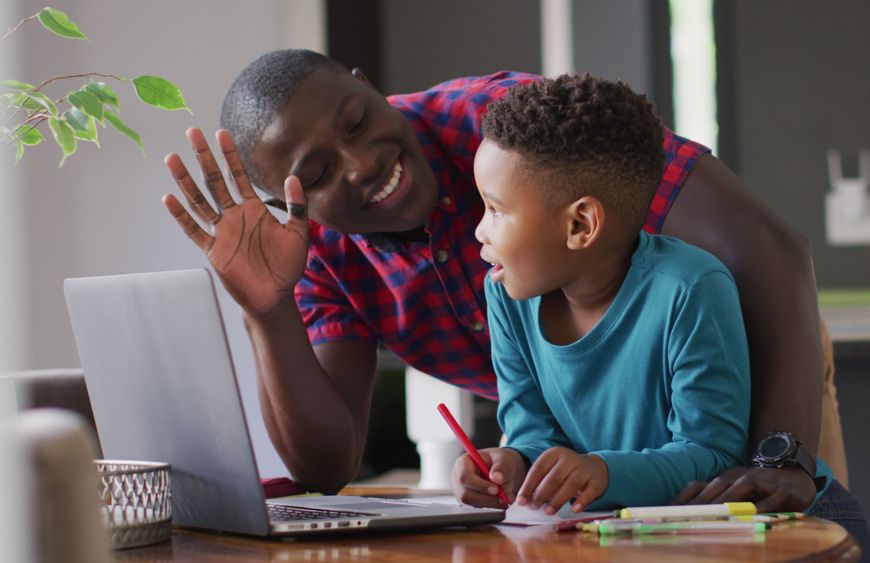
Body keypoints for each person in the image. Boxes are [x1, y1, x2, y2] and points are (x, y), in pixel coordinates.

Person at [161, 49, 827, 513]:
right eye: (320, 174)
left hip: (759, 369)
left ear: (367, 85)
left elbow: (768, 250)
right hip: (601, 465)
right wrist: (268, 310)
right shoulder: (320, 255)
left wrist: (783, 457)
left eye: (359, 120)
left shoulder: (504, 131)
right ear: (288, 201)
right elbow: (327, 465)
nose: (362, 164)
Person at [451, 74, 755, 512]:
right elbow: (533, 436)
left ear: (580, 225)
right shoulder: (505, 294)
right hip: (602, 536)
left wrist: (601, 472)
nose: (480, 230)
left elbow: (716, 458)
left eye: (496, 209)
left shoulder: (690, 290)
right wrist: (512, 463)